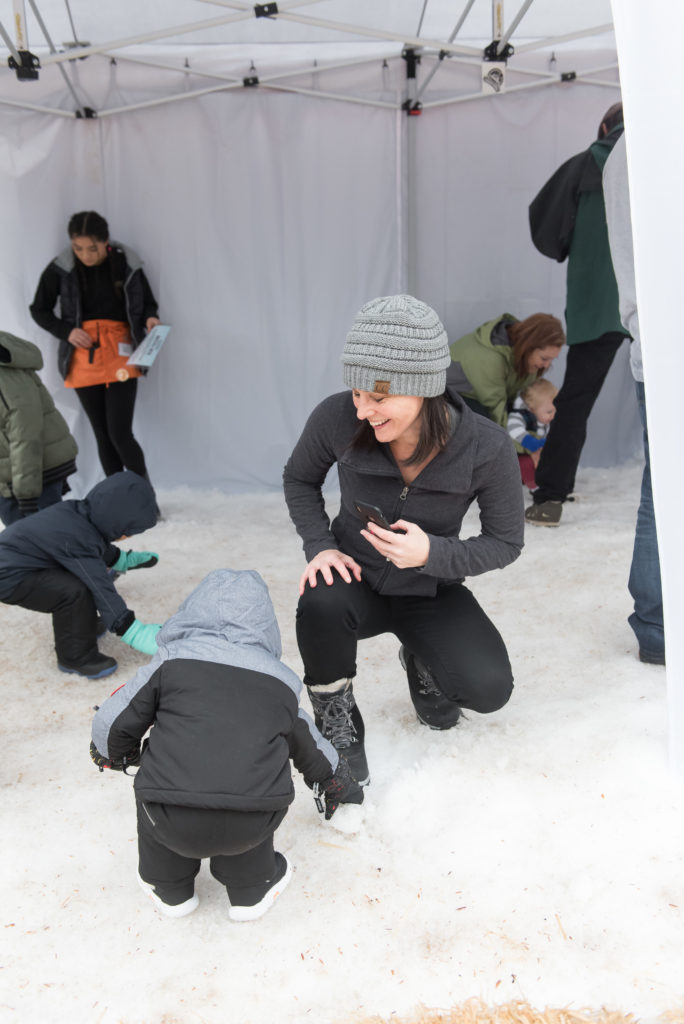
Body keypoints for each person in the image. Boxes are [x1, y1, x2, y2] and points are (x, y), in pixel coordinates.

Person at [283, 295, 524, 787]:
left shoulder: (487, 447)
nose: (362, 409)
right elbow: (299, 479)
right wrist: (319, 545)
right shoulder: (336, 418)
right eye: (355, 392)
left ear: (422, 388)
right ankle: (338, 722)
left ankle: (421, 658)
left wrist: (433, 554)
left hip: (430, 588)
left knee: (488, 690)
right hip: (354, 580)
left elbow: (505, 541)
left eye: (377, 396)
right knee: (319, 601)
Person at [90, 569, 363, 920]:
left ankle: (168, 887)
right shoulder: (279, 684)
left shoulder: (170, 664)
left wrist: (115, 754)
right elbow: (312, 746)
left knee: (158, 795)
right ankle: (253, 887)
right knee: (254, 785)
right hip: (252, 821)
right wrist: (339, 786)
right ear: (264, 624)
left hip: (168, 815)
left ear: (192, 612)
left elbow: (115, 719)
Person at [526, 102, 630, 526]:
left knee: (575, 402)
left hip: (597, 302)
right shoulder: (662, 158)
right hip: (656, 300)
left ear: (604, 127)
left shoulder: (583, 165)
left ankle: (549, 500)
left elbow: (545, 226)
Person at [29, 211, 160, 482]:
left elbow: (148, 302)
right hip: (82, 359)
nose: (85, 255)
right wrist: (67, 331)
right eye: (78, 248)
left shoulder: (125, 262)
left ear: (106, 242)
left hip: (122, 355)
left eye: (92, 248)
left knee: (120, 433)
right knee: (102, 434)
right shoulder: (62, 267)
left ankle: (145, 496)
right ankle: (117, 500)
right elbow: (39, 309)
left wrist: (150, 318)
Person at [0, 471, 161, 679]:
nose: (127, 536)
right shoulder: (76, 538)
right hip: (10, 576)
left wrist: (124, 559)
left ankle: (82, 626)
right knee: (74, 591)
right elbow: (100, 587)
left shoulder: (79, 513)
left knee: (77, 579)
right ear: (117, 523)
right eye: (128, 531)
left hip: (21, 561)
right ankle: (75, 657)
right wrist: (133, 630)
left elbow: (94, 545)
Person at [603, 132, 664, 666]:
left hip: (650, 341)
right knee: (661, 491)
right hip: (667, 341)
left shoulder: (623, 149)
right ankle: (659, 624)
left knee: (659, 488)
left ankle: (657, 627)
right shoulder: (659, 132)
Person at [0, 331, 78, 526]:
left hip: (29, 474)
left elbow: (24, 431)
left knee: (38, 541)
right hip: (17, 471)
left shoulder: (5, 377)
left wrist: (26, 494)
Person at [447, 312, 564, 427]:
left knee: (532, 416)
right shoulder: (490, 359)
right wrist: (520, 446)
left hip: (486, 398)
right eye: (544, 358)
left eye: (551, 360)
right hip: (449, 397)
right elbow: (496, 411)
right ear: (528, 348)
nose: (547, 365)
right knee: (485, 426)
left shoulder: (525, 356)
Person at [507, 378, 558, 490]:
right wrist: (532, 443)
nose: (553, 415)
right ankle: (534, 487)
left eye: (555, 411)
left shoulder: (547, 421)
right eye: (549, 412)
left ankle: (550, 483)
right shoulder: (521, 415)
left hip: (540, 454)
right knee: (526, 463)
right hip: (517, 456)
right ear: (531, 409)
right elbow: (513, 429)